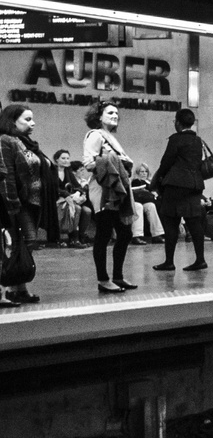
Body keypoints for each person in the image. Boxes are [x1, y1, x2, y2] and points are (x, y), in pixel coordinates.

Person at [82, 100, 138, 294]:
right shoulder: (96, 135)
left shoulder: (109, 137)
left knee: (125, 233)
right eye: (110, 113)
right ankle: (103, 279)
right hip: (104, 190)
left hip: (117, 190)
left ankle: (118, 276)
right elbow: (88, 162)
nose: (115, 116)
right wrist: (113, 160)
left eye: (116, 113)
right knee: (104, 234)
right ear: (99, 116)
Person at [151, 107, 208, 273]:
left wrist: (157, 180)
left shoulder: (176, 139)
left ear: (177, 122)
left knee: (171, 223)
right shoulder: (198, 140)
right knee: (194, 222)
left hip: (176, 185)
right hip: (195, 185)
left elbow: (166, 162)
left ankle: (169, 261)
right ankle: (200, 259)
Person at [0, 105, 42, 305]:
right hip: (17, 203)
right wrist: (12, 202)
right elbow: (6, 174)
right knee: (18, 242)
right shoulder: (6, 140)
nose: (32, 123)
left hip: (30, 201)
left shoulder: (24, 142)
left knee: (26, 243)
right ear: (12, 120)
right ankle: (9, 288)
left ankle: (20, 288)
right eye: (27, 119)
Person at [128, 163, 165, 246]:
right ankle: (136, 236)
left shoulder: (150, 182)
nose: (144, 173)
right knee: (139, 206)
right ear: (137, 173)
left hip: (146, 201)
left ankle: (157, 234)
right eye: (142, 171)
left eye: (146, 171)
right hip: (136, 201)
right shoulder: (135, 181)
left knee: (151, 206)